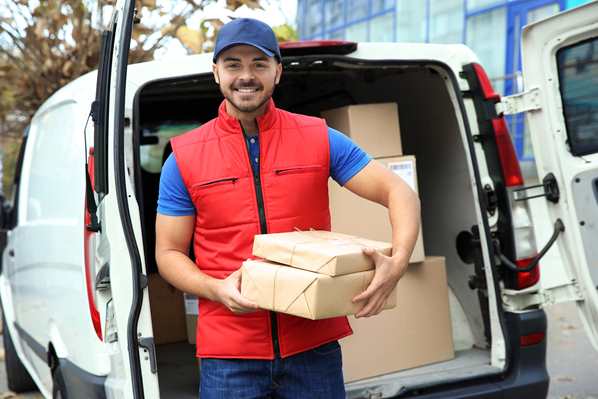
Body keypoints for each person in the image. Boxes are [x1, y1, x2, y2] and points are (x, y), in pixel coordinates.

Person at [155, 17, 420, 399]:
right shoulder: (183, 158)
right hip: (229, 356)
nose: (246, 76)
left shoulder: (318, 138)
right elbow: (168, 253)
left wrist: (397, 262)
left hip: (313, 349)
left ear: (278, 71)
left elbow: (400, 192)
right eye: (233, 64)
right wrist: (215, 289)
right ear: (216, 72)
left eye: (259, 64)